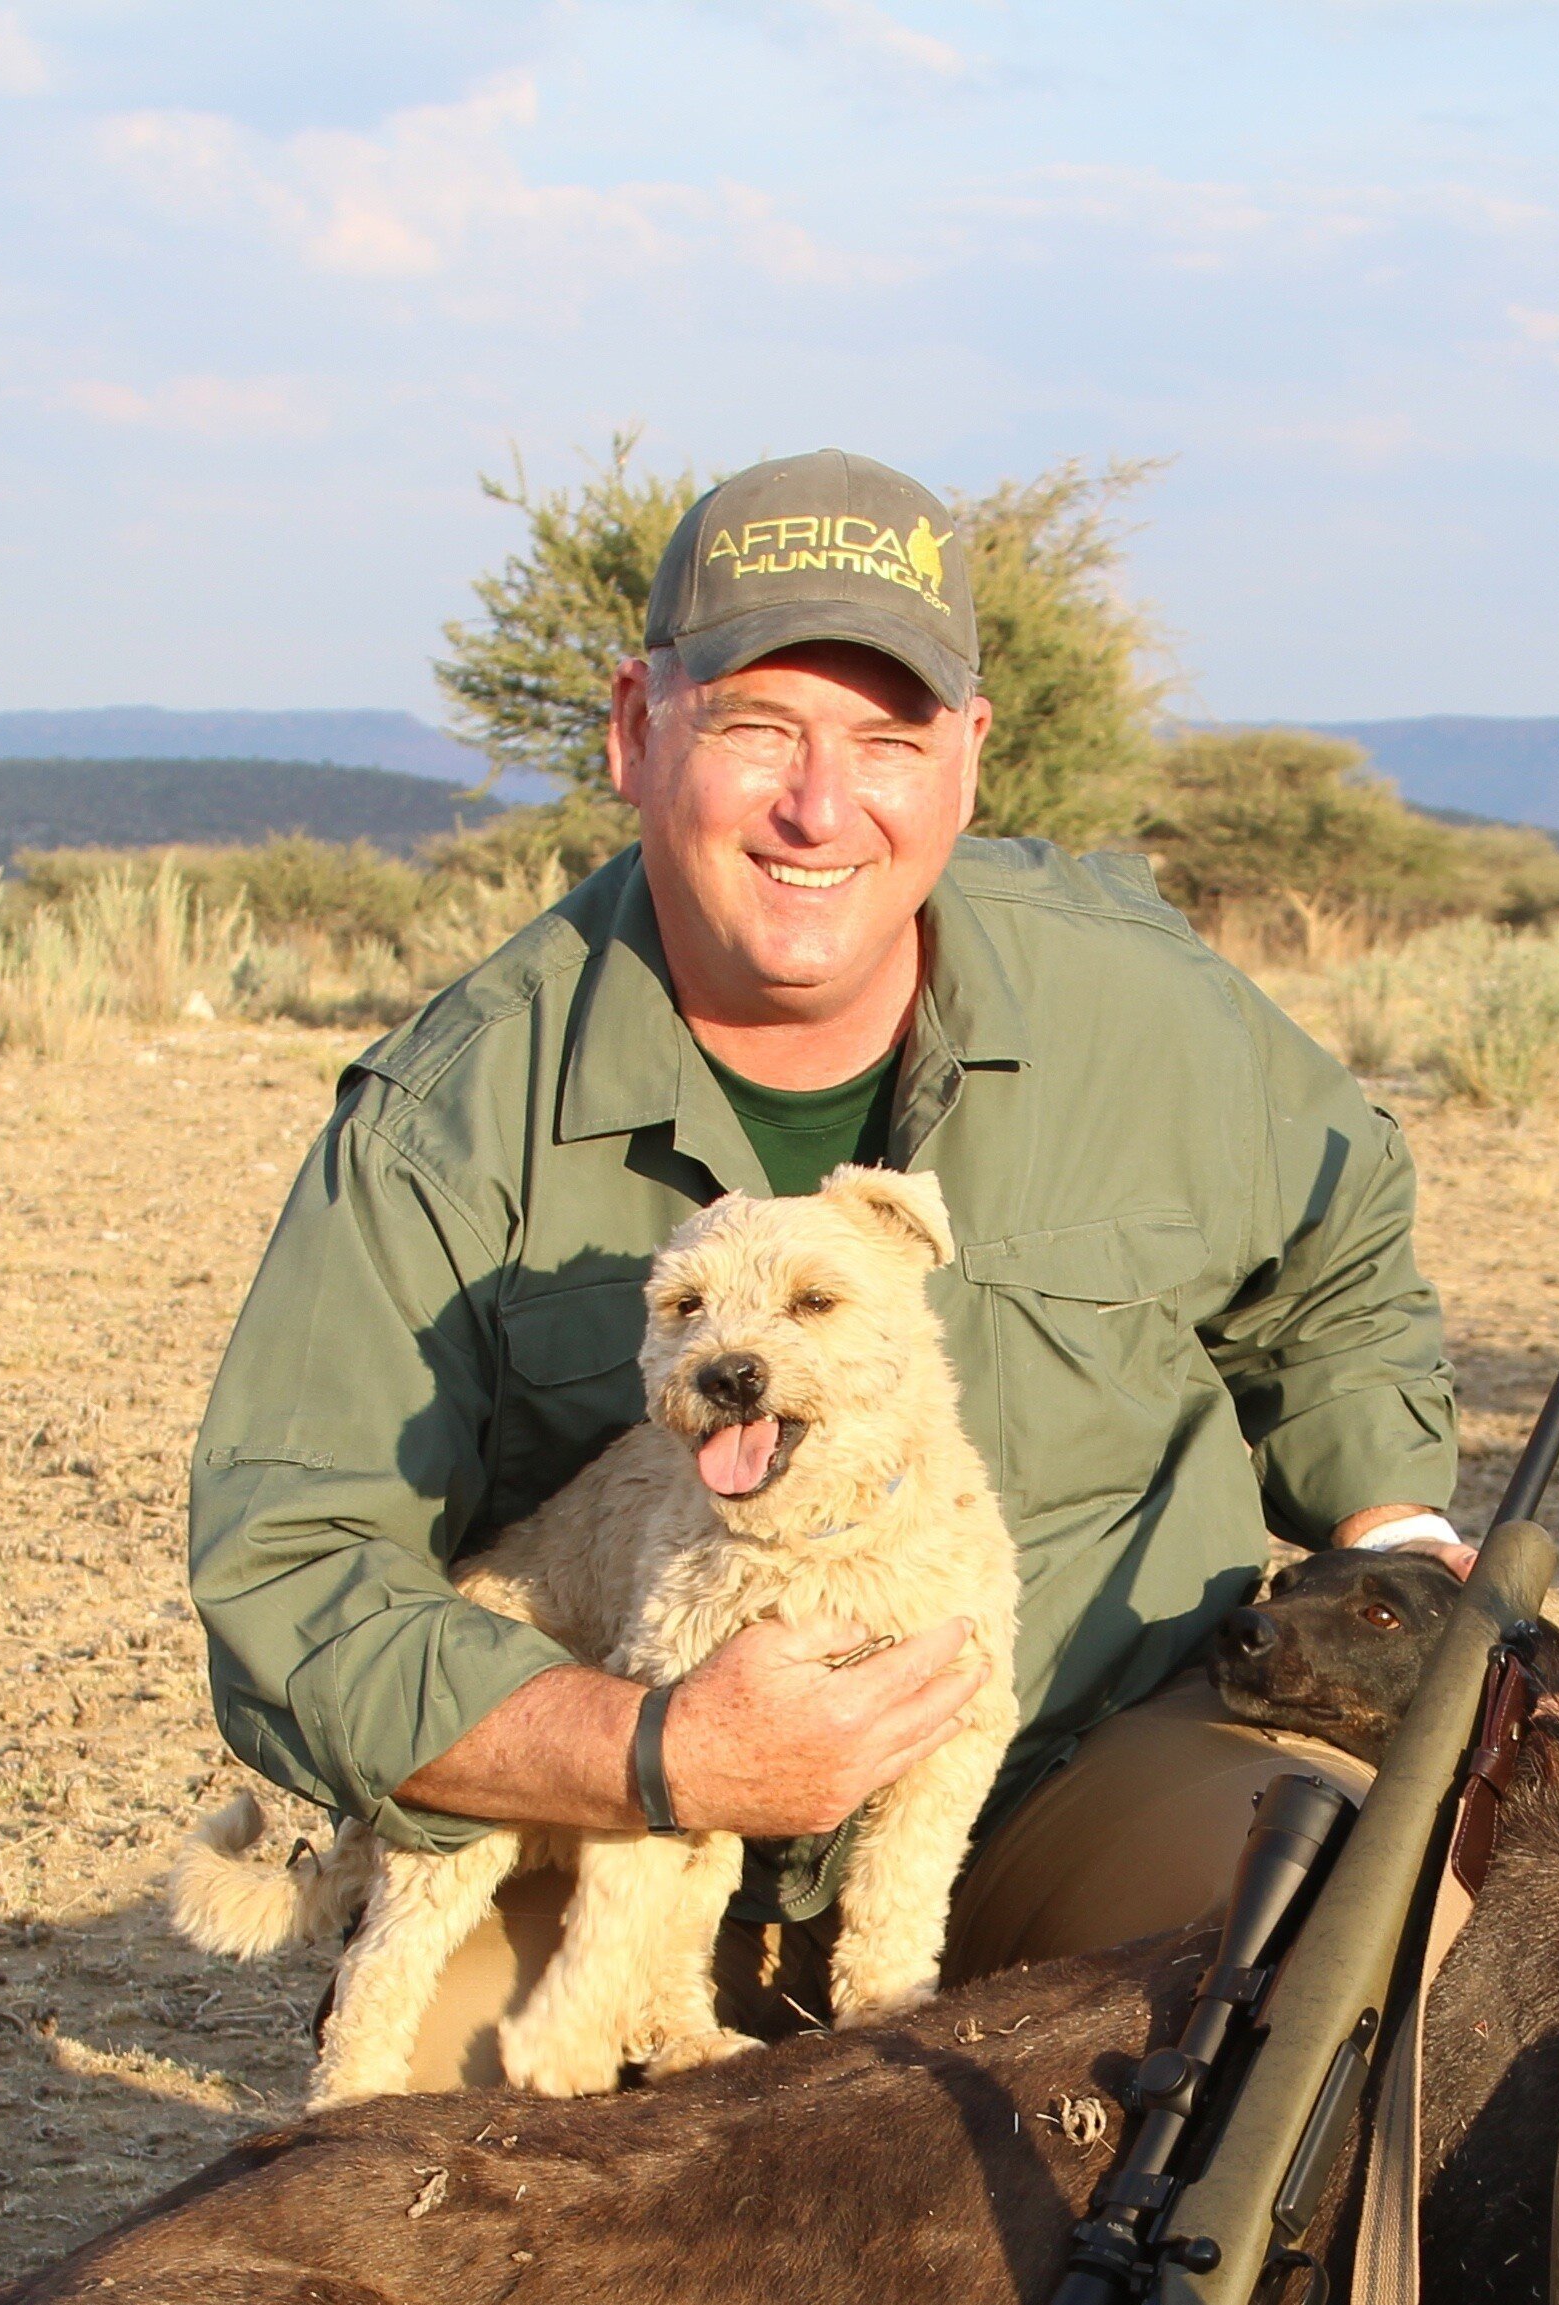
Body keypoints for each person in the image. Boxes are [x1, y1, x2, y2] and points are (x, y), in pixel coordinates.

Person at [187, 447, 1467, 2086]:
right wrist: (652, 1754)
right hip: (625, 1823)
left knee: (1370, 1957)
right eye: (756, 728)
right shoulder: (449, 1117)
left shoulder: (1142, 1009)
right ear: (634, 729)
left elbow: (1335, 1246)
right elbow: (295, 1574)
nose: (819, 804)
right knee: (460, 2134)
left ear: (968, 758)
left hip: (1071, 1772)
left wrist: (1393, 1526)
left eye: (886, 738)